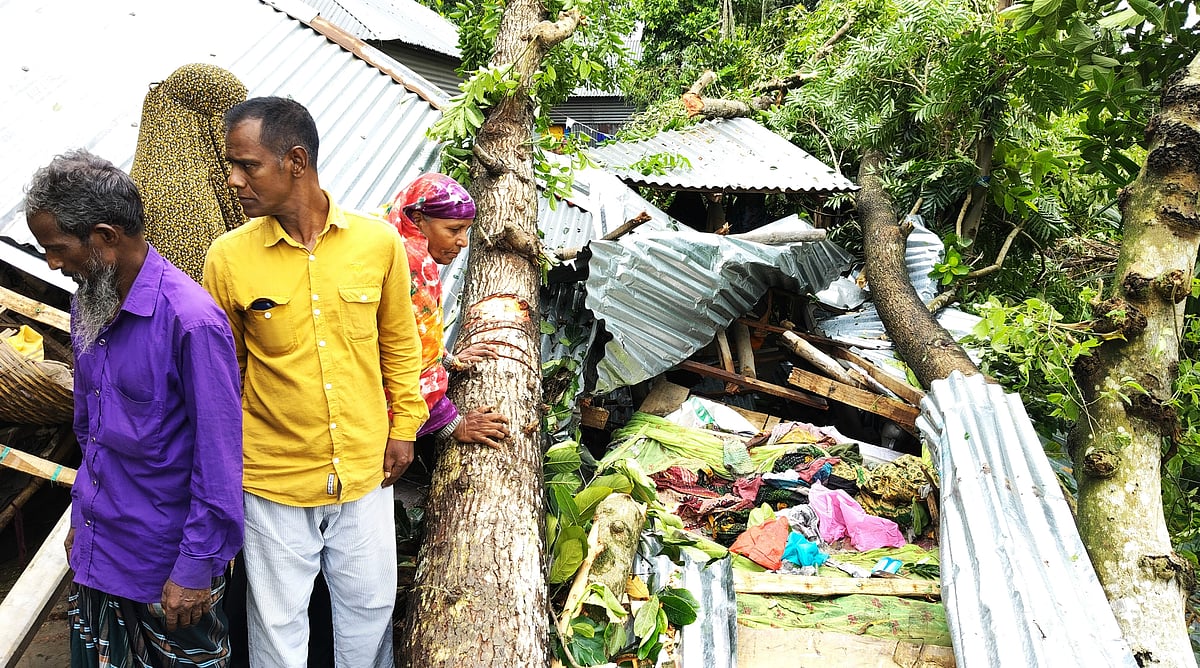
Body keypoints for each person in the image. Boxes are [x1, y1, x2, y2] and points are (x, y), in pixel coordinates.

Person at [202, 96, 427, 668]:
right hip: (273, 478)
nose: (234, 181)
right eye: (232, 166)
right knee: (277, 627)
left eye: (247, 165)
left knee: (369, 612)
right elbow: (223, 372)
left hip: (365, 469)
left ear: (296, 161)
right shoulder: (228, 259)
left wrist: (405, 427)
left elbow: (400, 345)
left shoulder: (378, 244)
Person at [23, 149, 244, 667]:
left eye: (57, 249)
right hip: (100, 545)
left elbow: (219, 461)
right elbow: (90, 432)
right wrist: (82, 517)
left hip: (166, 564)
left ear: (105, 236)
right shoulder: (88, 304)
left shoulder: (191, 321)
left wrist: (194, 567)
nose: (52, 265)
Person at [386, 172, 510, 448]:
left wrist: (444, 359)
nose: (463, 241)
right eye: (454, 230)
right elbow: (402, 361)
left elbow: (409, 335)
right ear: (418, 219)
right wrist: (452, 423)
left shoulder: (389, 239)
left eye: (466, 230)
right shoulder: (413, 267)